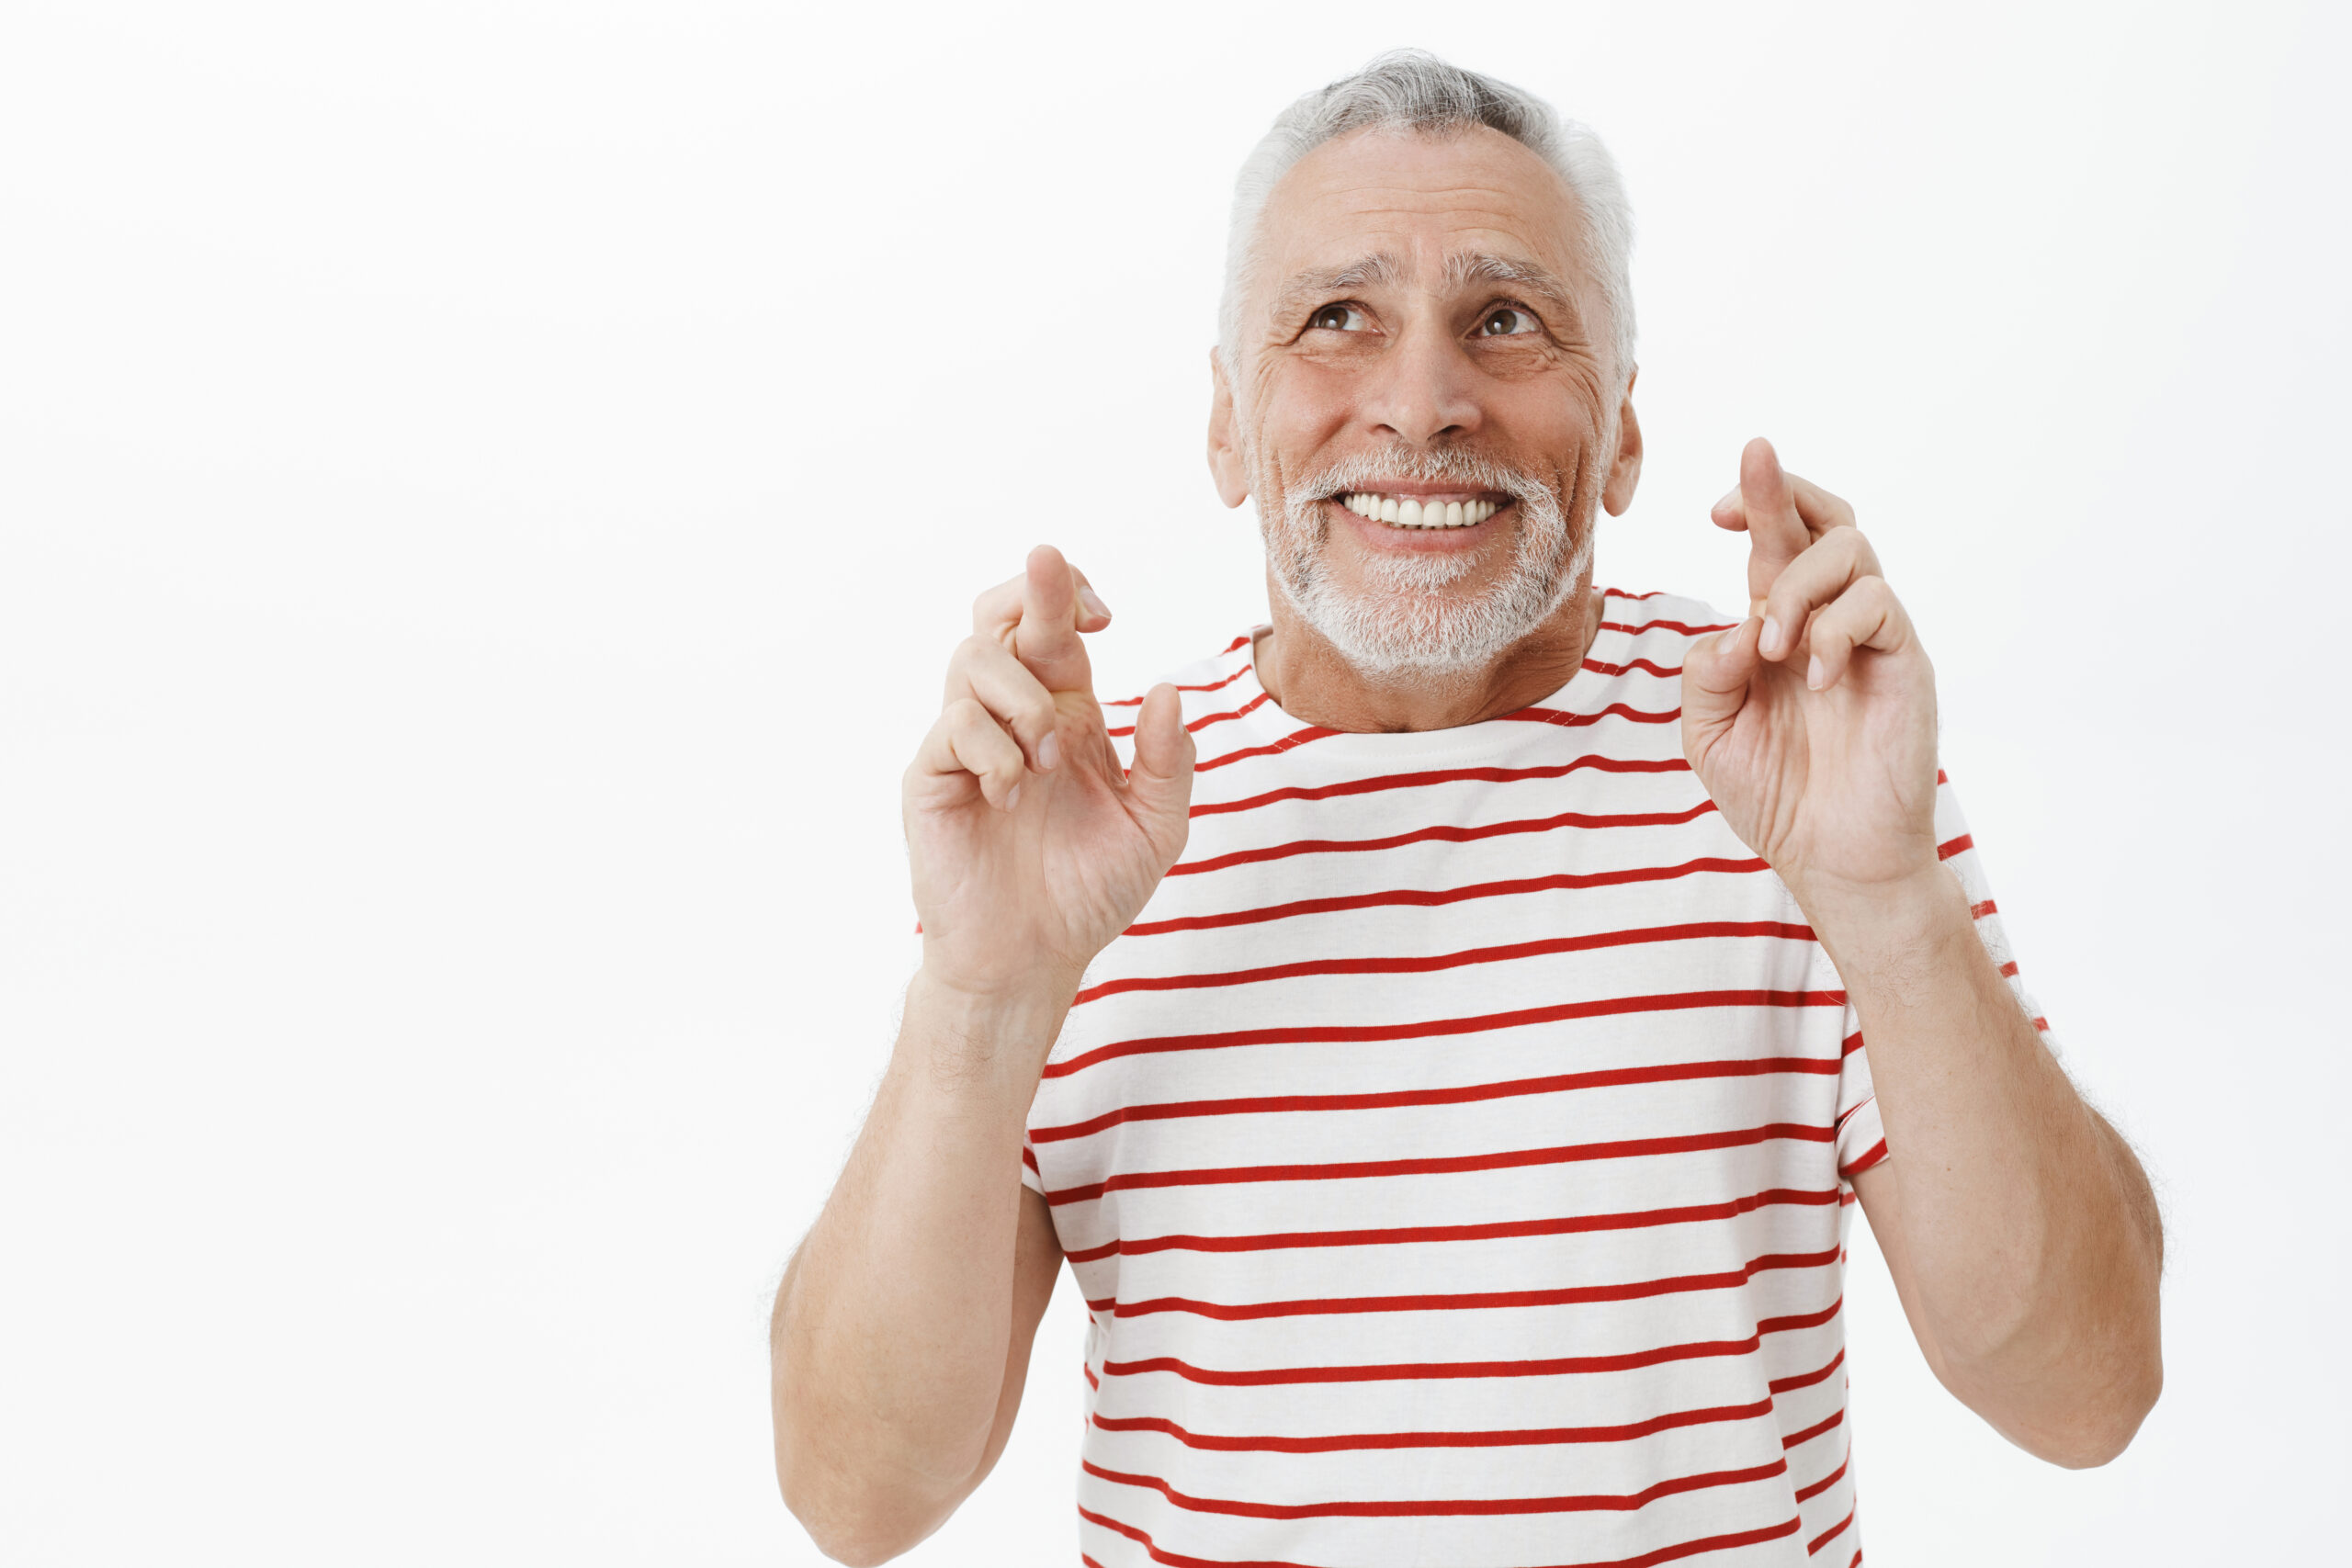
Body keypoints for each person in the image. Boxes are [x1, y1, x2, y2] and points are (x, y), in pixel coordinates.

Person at [768, 51, 2164, 1568]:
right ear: (1230, 425)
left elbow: (2083, 1396)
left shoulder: (1796, 759)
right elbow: (860, 1497)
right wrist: (983, 997)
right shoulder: (1086, 816)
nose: (1423, 405)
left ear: (1622, 426)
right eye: (1335, 320)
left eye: (1505, 321)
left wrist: (1891, 902)